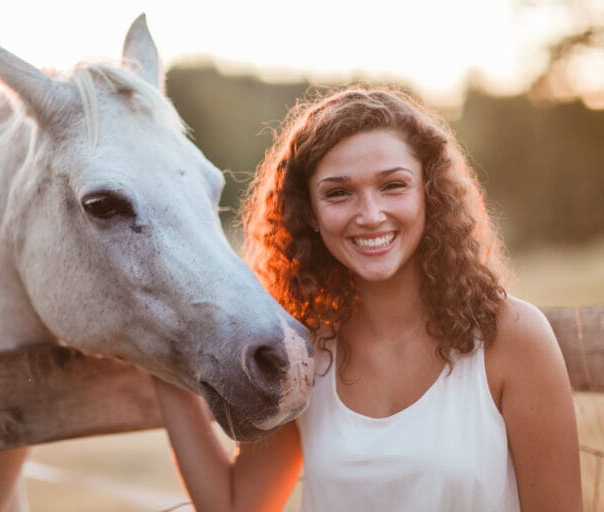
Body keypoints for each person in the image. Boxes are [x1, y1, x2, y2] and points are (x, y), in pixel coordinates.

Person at [152, 85, 582, 511]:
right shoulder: (306, 353)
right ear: (310, 214)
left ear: (428, 194)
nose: (370, 214)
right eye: (338, 192)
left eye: (393, 185)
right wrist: (160, 351)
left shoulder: (511, 338)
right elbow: (236, 506)